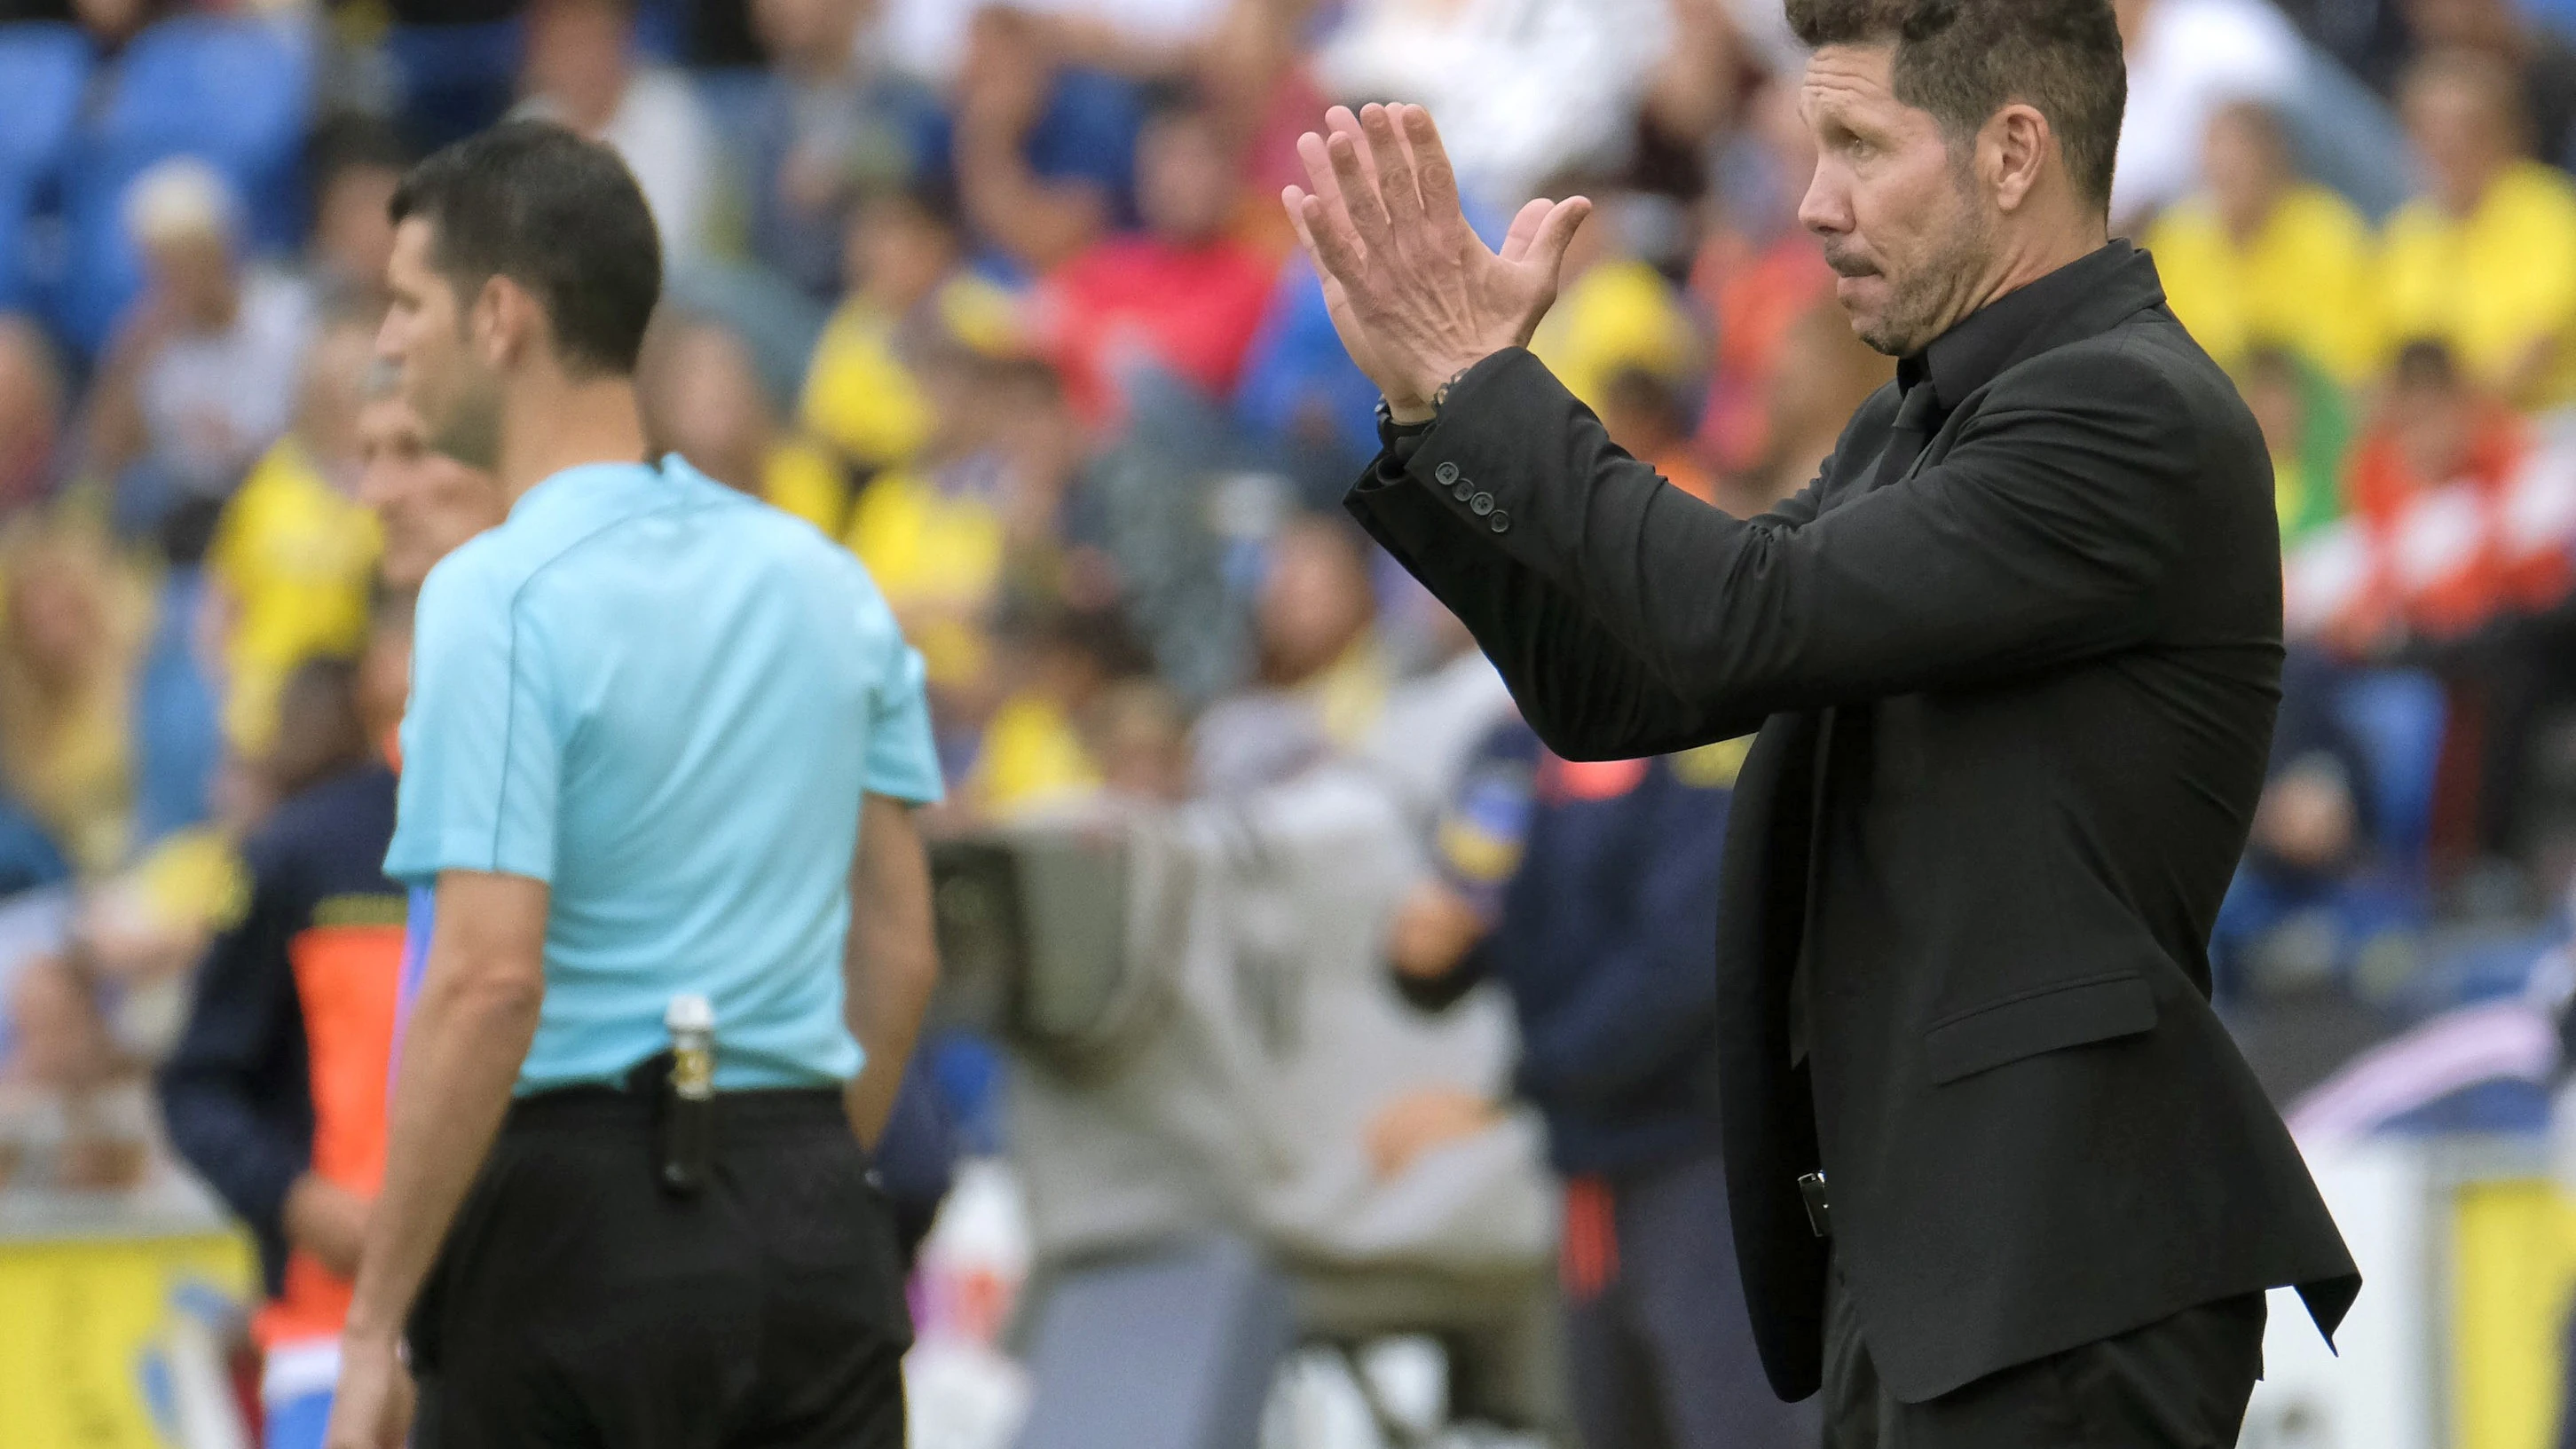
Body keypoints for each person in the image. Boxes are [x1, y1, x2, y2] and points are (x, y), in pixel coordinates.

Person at [1283, 0, 2361, 1430]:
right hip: (1929, 1274)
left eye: (1855, 143)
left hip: (2059, 1269)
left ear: (2011, 153)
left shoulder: (2124, 410)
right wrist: (1432, 412)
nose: (1811, 201)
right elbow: (1626, 683)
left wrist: (1494, 395)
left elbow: (1732, 613)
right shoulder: (1910, 427)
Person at [326, 121, 942, 1449]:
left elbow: (489, 981)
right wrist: (784, 1175)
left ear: (498, 318)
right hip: (812, 1221)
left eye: (407, 302)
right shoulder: (825, 576)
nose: (389, 340)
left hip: (572, 1236)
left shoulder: (491, 594)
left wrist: (376, 1321)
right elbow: (897, 953)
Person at [1380, 718, 1812, 1449]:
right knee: (1614, 1423)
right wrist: (1423, 956)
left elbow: (1687, 962)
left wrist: (1511, 1088)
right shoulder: (1508, 754)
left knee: (1742, 1423)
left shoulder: (1705, 748)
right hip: (1588, 1178)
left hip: (1705, 1165)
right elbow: (1462, 906)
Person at [2377, 48, 2576, 412]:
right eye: (2428, 129)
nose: (2446, 145)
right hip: (2435, 438)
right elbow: (2387, 361)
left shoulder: (2550, 212)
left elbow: (2538, 347)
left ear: (2506, 132)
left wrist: (2453, 415)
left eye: (2465, 128)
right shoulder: (2406, 233)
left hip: (2540, 421)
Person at [2142, 100, 2381, 386]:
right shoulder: (2177, 238)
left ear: (2273, 162)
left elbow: (2352, 361)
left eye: (2239, 168)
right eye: (2217, 171)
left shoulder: (2330, 236)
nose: (2226, 177)